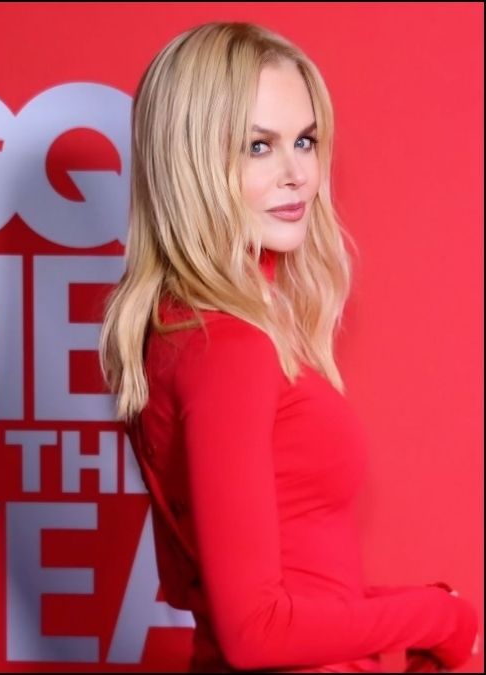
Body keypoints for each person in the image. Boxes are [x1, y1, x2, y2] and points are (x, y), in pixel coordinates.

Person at [98, 22, 479, 673]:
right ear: (189, 161)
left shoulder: (187, 326)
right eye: (257, 146)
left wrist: (425, 608)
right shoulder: (227, 343)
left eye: (304, 140)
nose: (297, 173)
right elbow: (257, 631)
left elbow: (293, 593)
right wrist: (441, 615)